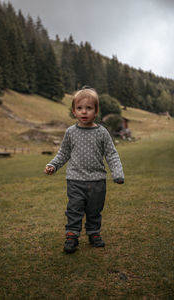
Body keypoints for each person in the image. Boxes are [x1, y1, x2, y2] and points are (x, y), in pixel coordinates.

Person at [44, 87, 124, 253]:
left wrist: (117, 173)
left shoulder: (102, 133)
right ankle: (71, 236)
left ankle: (93, 233)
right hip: (75, 181)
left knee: (94, 210)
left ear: (96, 111)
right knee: (74, 209)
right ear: (74, 111)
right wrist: (53, 165)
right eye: (80, 108)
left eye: (89, 108)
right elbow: (63, 153)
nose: (84, 112)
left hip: (97, 181)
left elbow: (111, 154)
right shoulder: (70, 133)